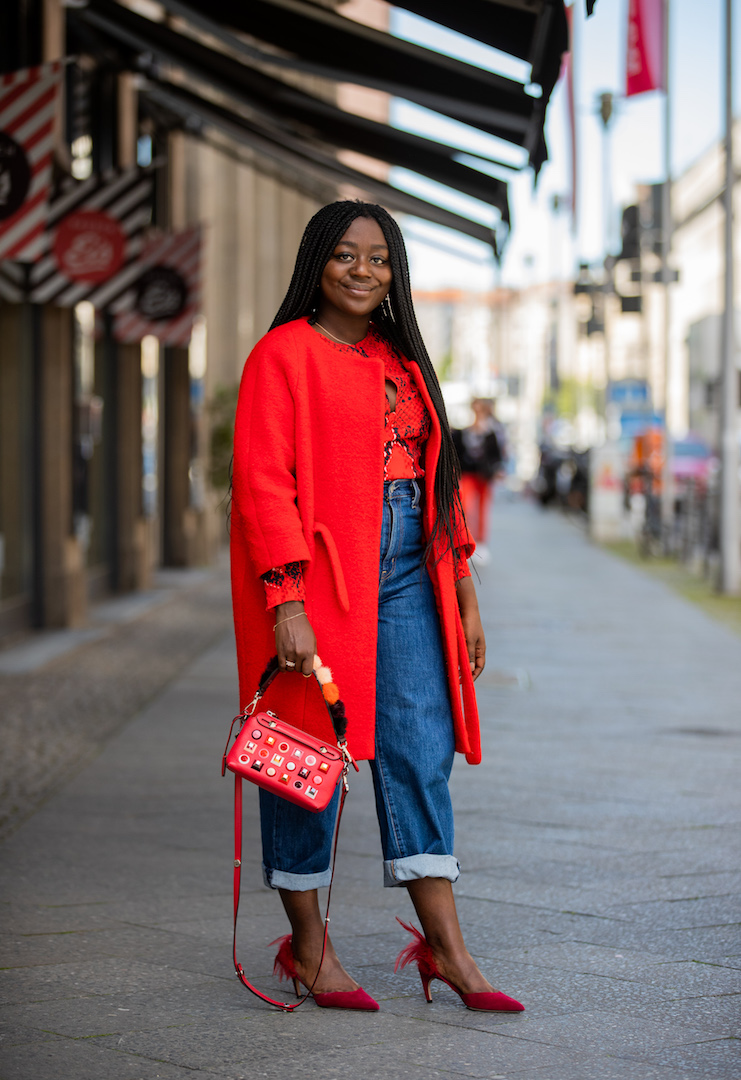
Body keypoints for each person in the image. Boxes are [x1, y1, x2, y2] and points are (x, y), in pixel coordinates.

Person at [230, 200, 523, 1014]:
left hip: (409, 575)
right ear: (315, 262)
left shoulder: (401, 358)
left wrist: (463, 594)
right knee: (303, 759)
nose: (364, 271)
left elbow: (438, 488)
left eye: (381, 259)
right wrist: (285, 599)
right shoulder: (280, 356)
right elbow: (262, 485)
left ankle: (447, 950)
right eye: (346, 255)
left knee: (418, 750)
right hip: (319, 577)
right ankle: (309, 950)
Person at [452, 399, 506, 562]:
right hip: (467, 473)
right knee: (466, 508)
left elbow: (496, 455)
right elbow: (456, 451)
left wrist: (498, 470)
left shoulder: (491, 433)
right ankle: (466, 542)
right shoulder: (463, 432)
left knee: (483, 509)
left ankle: (481, 542)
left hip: (485, 475)